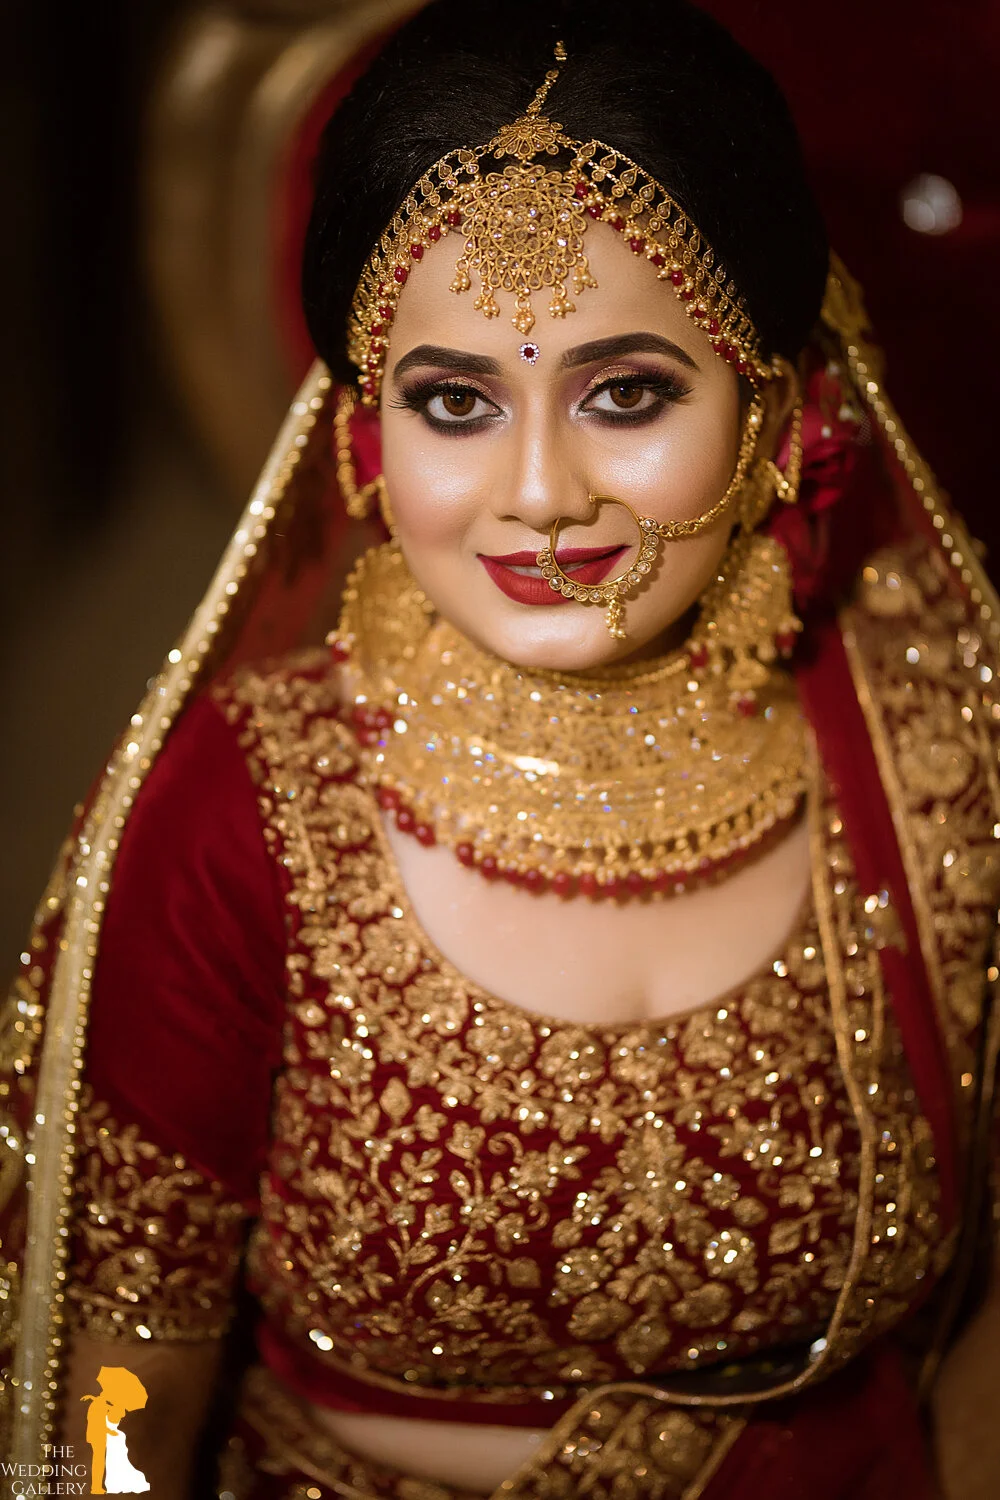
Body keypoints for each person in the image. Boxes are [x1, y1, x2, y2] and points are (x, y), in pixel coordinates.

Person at [1, 2, 998, 1496]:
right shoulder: (240, 814)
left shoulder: (935, 738)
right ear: (360, 428)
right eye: (455, 402)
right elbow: (120, 1373)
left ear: (775, 405)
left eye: (629, 394)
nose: (539, 493)